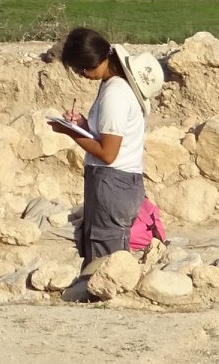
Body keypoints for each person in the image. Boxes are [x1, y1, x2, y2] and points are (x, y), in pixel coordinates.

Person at [49, 26, 146, 264]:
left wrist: (70, 132)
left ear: (88, 64)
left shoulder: (116, 94)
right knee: (98, 249)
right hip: (113, 182)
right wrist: (83, 124)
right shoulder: (112, 84)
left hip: (113, 182)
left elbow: (108, 153)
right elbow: (108, 135)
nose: (82, 75)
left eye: (80, 69)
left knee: (106, 258)